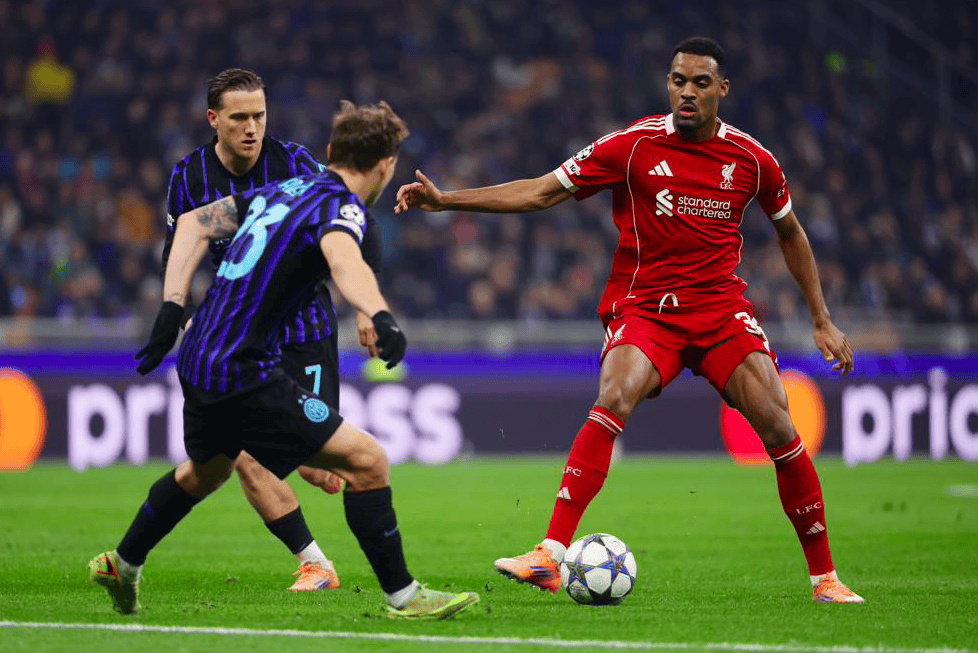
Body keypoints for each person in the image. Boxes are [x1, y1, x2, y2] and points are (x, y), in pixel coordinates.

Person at [395, 37, 863, 604]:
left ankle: (825, 579)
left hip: (720, 311)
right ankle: (549, 554)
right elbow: (540, 193)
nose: (687, 92)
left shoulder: (752, 160)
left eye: (700, 83)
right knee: (614, 395)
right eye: (678, 81)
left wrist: (821, 318)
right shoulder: (632, 145)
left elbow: (790, 231)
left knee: (781, 427)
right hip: (648, 309)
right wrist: (447, 201)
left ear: (722, 90)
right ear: (668, 84)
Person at [89, 100, 480, 619]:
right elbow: (345, 259)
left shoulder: (282, 190)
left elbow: (194, 222)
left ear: (331, 150)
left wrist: (171, 307)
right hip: (242, 368)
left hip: (199, 355)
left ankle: (123, 563)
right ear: (387, 165)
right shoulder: (340, 207)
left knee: (207, 472)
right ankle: (404, 596)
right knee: (368, 461)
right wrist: (380, 313)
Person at [162, 68, 383, 592]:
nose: (251, 128)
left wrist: (366, 308)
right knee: (245, 455)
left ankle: (338, 479)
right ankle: (315, 563)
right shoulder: (189, 177)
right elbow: (178, 250)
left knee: (317, 470)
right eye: (239, 117)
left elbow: (354, 223)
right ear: (213, 119)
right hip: (238, 336)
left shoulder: (295, 163)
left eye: (259, 116)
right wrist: (183, 311)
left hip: (304, 329)